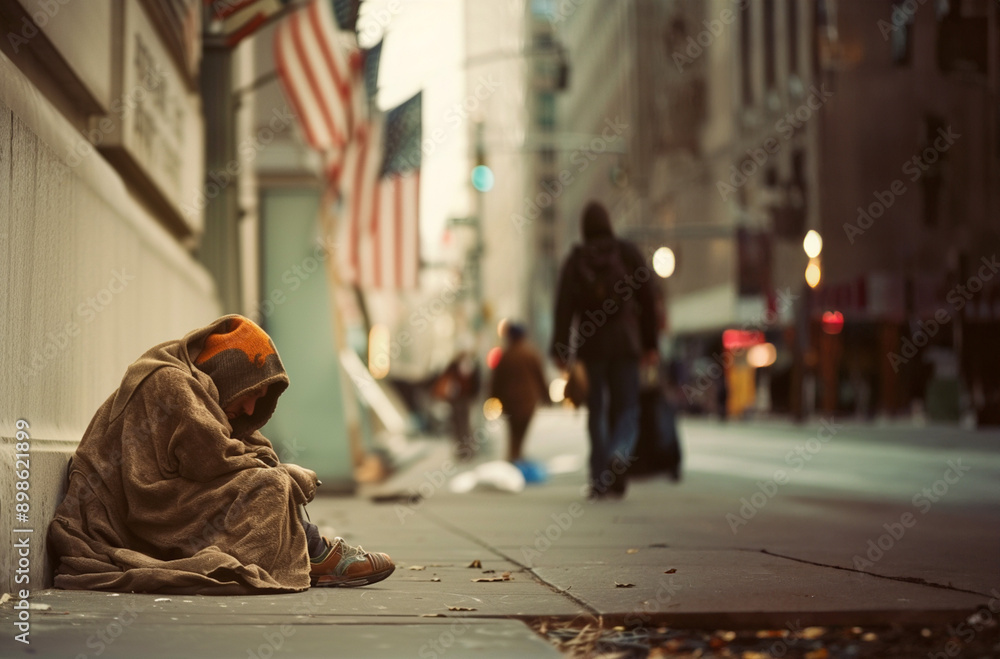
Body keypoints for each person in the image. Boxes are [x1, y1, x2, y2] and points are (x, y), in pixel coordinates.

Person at [48, 315, 395, 594]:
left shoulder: (200, 388)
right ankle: (313, 553)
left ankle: (309, 548)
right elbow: (213, 460)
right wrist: (287, 474)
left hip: (152, 498)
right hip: (128, 511)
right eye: (250, 393)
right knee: (269, 486)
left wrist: (278, 466)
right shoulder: (171, 381)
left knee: (269, 477)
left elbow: (240, 446)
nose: (250, 407)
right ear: (229, 376)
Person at [550, 201, 659, 499]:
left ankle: (600, 478)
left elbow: (563, 308)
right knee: (627, 407)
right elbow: (648, 299)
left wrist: (560, 349)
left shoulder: (576, 260)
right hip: (625, 343)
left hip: (590, 347)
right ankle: (619, 454)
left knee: (596, 411)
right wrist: (651, 343)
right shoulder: (626, 253)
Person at [489, 322, 550, 463]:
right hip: (528, 402)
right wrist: (546, 396)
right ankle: (517, 456)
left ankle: (514, 456)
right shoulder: (531, 354)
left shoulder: (506, 356)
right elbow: (540, 377)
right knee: (521, 434)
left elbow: (496, 381)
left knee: (513, 434)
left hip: (510, 403)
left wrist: (493, 397)